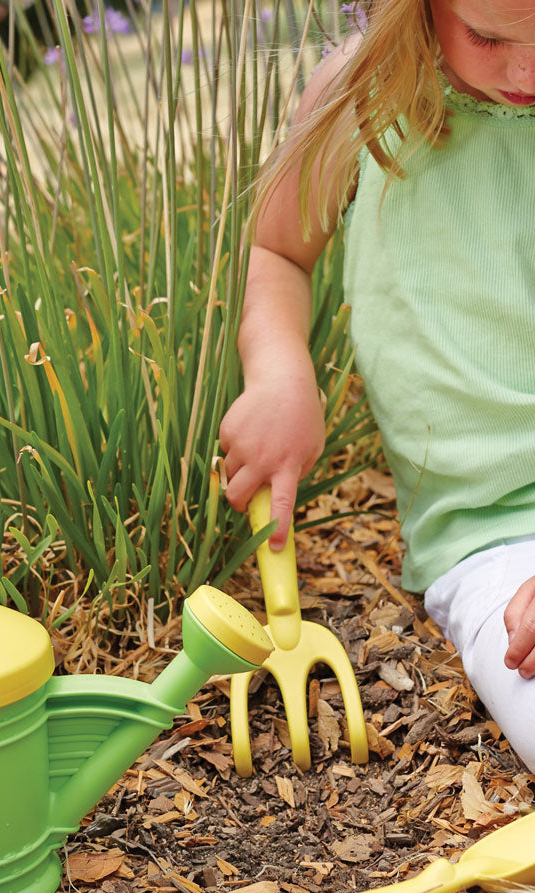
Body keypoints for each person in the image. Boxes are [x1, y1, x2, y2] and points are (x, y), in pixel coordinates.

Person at [218, 0, 535, 771]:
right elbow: (278, 252)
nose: (524, 71)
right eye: (488, 37)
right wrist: (280, 369)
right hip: (494, 538)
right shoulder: (366, 96)